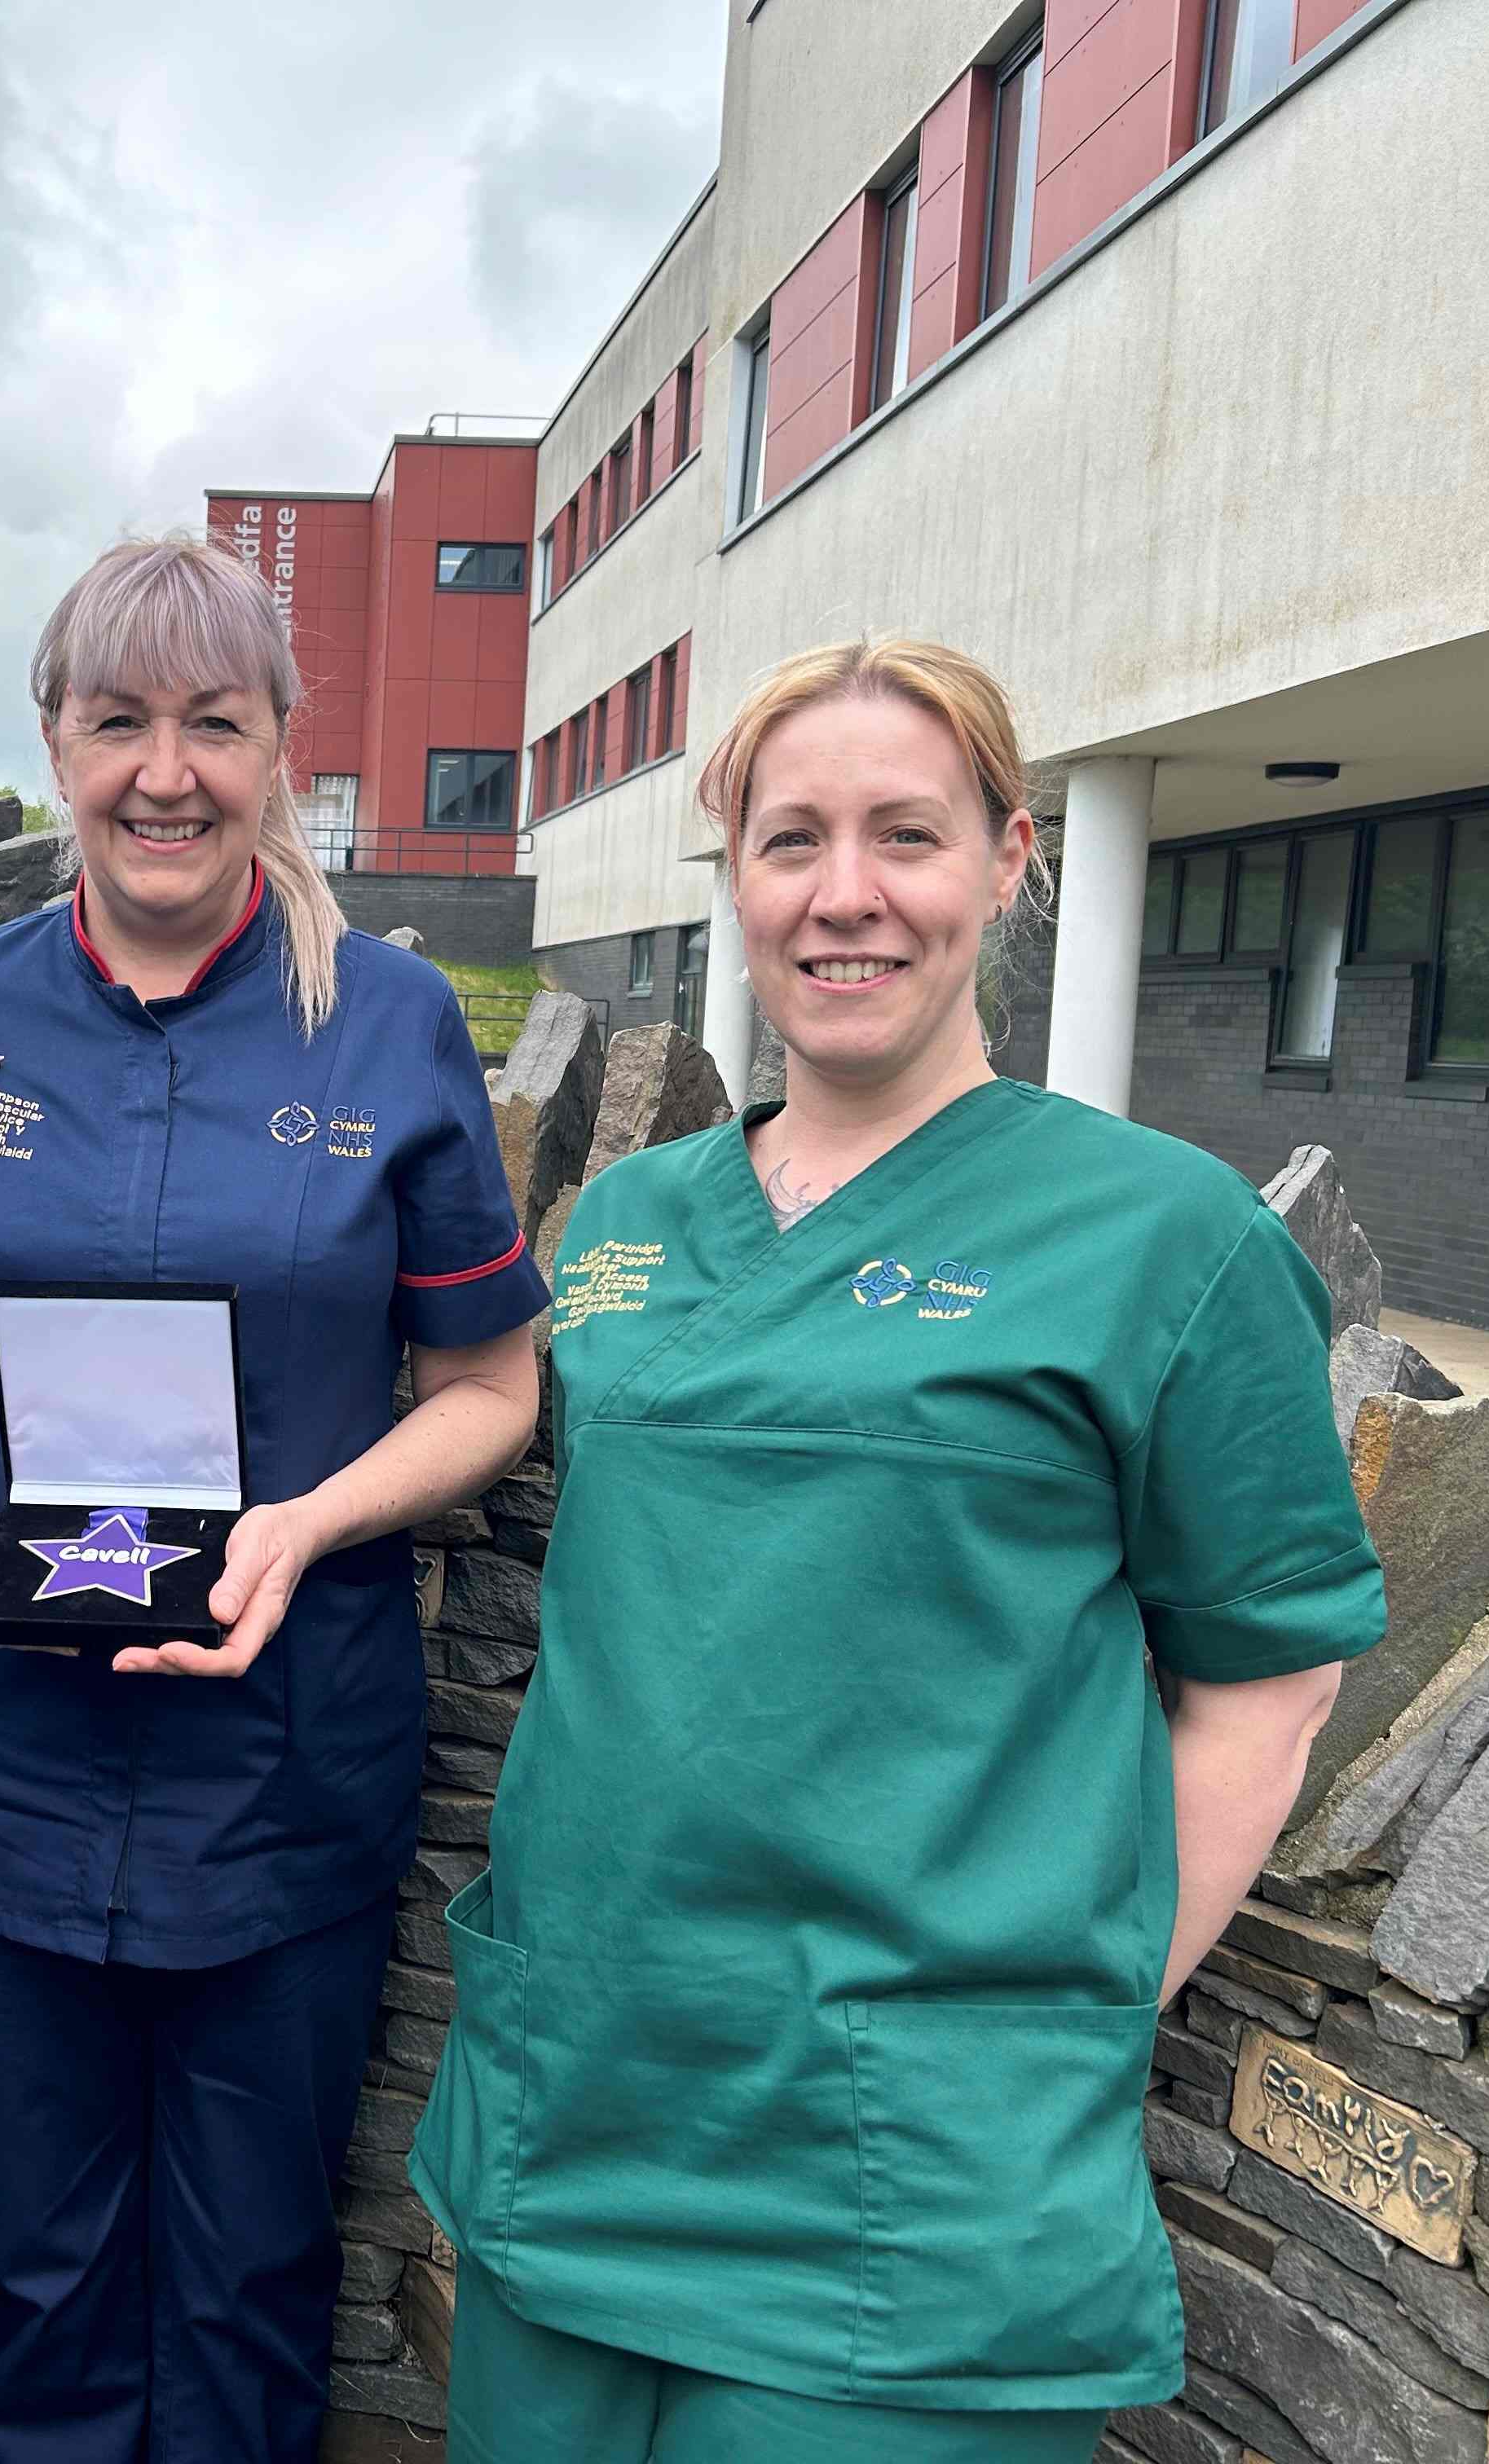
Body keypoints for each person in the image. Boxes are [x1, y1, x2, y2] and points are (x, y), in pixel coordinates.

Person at [412, 639, 1384, 2464]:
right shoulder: (625, 1223)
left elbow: (1271, 1684)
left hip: (911, 2183)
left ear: (1009, 863)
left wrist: (1067, 2024)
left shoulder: (1162, 1240)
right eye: (791, 840)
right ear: (736, 876)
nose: (842, 894)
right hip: (582, 2097)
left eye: (906, 836)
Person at [0, 534, 548, 2462]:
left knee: (250, 2285)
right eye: (119, 722)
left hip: (289, 1757)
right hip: (12, 1752)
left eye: (214, 725)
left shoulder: (388, 1021)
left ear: (282, 746)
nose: (166, 773)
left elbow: (491, 1385)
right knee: (36, 2272)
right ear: (54, 743)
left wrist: (311, 1524)